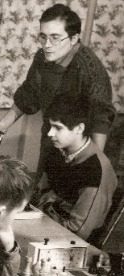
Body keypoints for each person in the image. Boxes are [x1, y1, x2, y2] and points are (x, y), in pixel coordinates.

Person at [0, 3, 115, 180]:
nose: (47, 45)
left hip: (82, 147)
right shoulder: (42, 57)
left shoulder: (90, 69)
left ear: (73, 39)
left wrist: (94, 164)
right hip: (51, 139)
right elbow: (28, 94)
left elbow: (100, 119)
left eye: (55, 38)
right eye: (43, 37)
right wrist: (0, 127)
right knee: (43, 191)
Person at [35, 99, 117, 241]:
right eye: (50, 126)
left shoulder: (94, 170)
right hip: (47, 224)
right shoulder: (56, 151)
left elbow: (78, 231)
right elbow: (40, 195)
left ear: (79, 128)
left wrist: (46, 208)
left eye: (58, 128)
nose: (50, 133)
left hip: (71, 242)